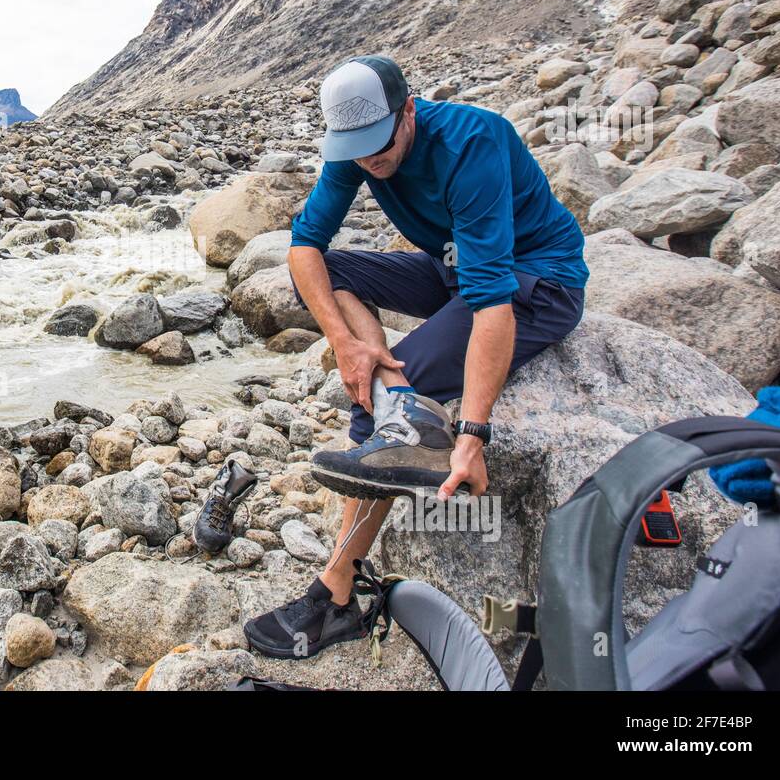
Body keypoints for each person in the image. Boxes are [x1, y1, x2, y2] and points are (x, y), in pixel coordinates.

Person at [241, 54, 589, 660]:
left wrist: (471, 431)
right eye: (356, 149)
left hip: (537, 283)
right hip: (453, 271)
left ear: (408, 110)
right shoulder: (355, 150)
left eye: (380, 144)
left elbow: (492, 305)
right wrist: (352, 346)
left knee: (382, 409)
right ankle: (387, 391)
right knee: (334, 286)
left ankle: (337, 593)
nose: (371, 160)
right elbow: (304, 248)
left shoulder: (472, 141)